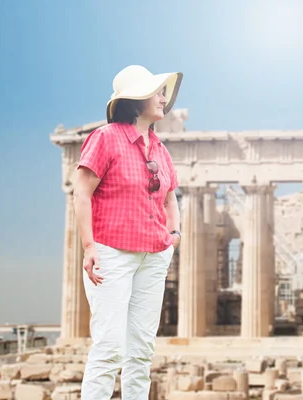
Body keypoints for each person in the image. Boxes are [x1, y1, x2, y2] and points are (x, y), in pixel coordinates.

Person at [74, 65, 183, 399]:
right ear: (136, 101)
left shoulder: (161, 150)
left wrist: (173, 239)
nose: (164, 98)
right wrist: (89, 246)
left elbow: (170, 199)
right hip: (111, 253)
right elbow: (81, 193)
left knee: (141, 350)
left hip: (153, 256)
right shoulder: (105, 138)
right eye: (157, 92)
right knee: (109, 347)